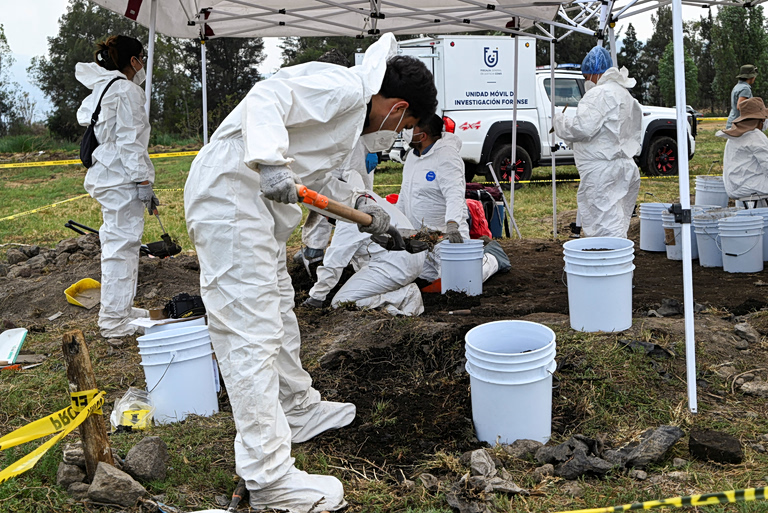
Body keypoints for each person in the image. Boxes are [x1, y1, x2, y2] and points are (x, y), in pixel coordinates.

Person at [184, 33, 437, 512]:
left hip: (255, 209)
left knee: (279, 311)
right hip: (230, 195)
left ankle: (296, 409)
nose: (398, 133)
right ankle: (269, 477)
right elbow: (268, 95)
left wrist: (367, 210)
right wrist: (269, 161)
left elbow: (326, 181)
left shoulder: (348, 124)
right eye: (404, 125)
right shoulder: (345, 88)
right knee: (251, 331)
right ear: (399, 107)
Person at [75, 35, 158, 341]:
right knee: (122, 247)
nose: (143, 64)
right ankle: (114, 321)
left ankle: (120, 309)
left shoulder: (105, 86)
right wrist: (143, 180)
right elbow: (129, 141)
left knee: (120, 243)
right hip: (120, 177)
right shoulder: (127, 90)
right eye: (141, 58)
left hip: (108, 174)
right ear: (133, 61)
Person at [397, 114, 510, 284]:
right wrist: (397, 224)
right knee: (419, 278)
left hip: (446, 237)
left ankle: (493, 257)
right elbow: (404, 194)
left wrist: (452, 224)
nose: (405, 130)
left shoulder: (447, 157)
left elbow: (454, 194)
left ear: (423, 135)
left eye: (411, 127)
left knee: (461, 282)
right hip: (419, 239)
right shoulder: (412, 157)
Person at [303, 167, 426, 316]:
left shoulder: (351, 214)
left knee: (341, 302)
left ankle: (405, 295)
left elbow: (334, 262)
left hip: (395, 266)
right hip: (407, 260)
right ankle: (396, 291)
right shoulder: (367, 199)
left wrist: (316, 297)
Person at [554, 46, 643, 238]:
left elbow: (583, 128)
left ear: (595, 73)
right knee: (617, 224)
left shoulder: (599, 93)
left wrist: (560, 123)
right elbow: (611, 132)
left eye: (587, 76)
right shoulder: (624, 93)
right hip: (624, 167)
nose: (587, 81)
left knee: (603, 229)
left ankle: (609, 257)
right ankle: (619, 256)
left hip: (603, 172)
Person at [717, 97, 768, 199]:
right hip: (751, 186)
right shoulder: (755, 136)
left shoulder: (734, 135)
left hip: (734, 186)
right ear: (761, 119)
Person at [726, 65, 757, 130]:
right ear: (751, 77)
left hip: (733, 122)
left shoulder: (738, 86)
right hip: (738, 125)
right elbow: (740, 106)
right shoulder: (745, 88)